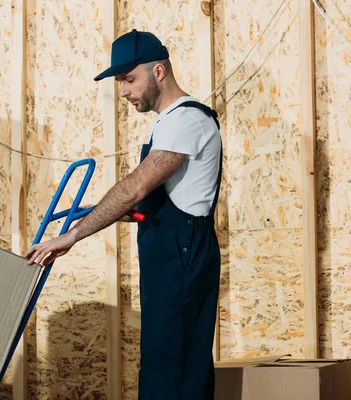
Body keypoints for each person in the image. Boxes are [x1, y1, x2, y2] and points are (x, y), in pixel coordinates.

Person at [24, 29, 222, 400]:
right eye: (120, 82)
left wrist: (71, 236)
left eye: (129, 79)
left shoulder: (186, 121)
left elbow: (136, 187)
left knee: (173, 371)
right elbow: (146, 199)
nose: (124, 91)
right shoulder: (168, 123)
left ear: (159, 72)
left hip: (183, 255)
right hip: (171, 254)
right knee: (167, 363)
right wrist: (123, 212)